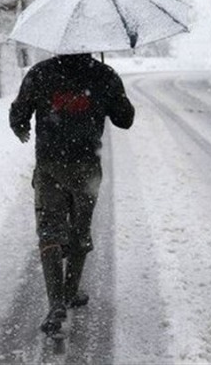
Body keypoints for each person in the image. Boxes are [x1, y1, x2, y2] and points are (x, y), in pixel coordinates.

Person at [9, 52, 135, 335]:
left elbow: (18, 115)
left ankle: (56, 303)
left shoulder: (40, 73)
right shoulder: (104, 75)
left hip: (50, 164)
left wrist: (22, 127)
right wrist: (111, 92)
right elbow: (125, 119)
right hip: (86, 167)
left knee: (49, 230)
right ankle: (70, 291)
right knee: (80, 227)